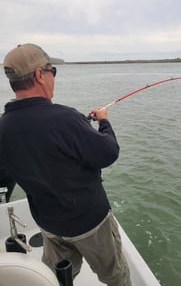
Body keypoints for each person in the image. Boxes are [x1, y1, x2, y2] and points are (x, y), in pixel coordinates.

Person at [0, 43, 132, 286]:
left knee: (58, 278)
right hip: (89, 222)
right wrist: (103, 123)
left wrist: (80, 126)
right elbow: (108, 153)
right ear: (40, 74)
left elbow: (37, 146)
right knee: (115, 276)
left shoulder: (3, 127)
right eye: (53, 71)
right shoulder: (65, 119)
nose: (53, 78)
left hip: (49, 224)